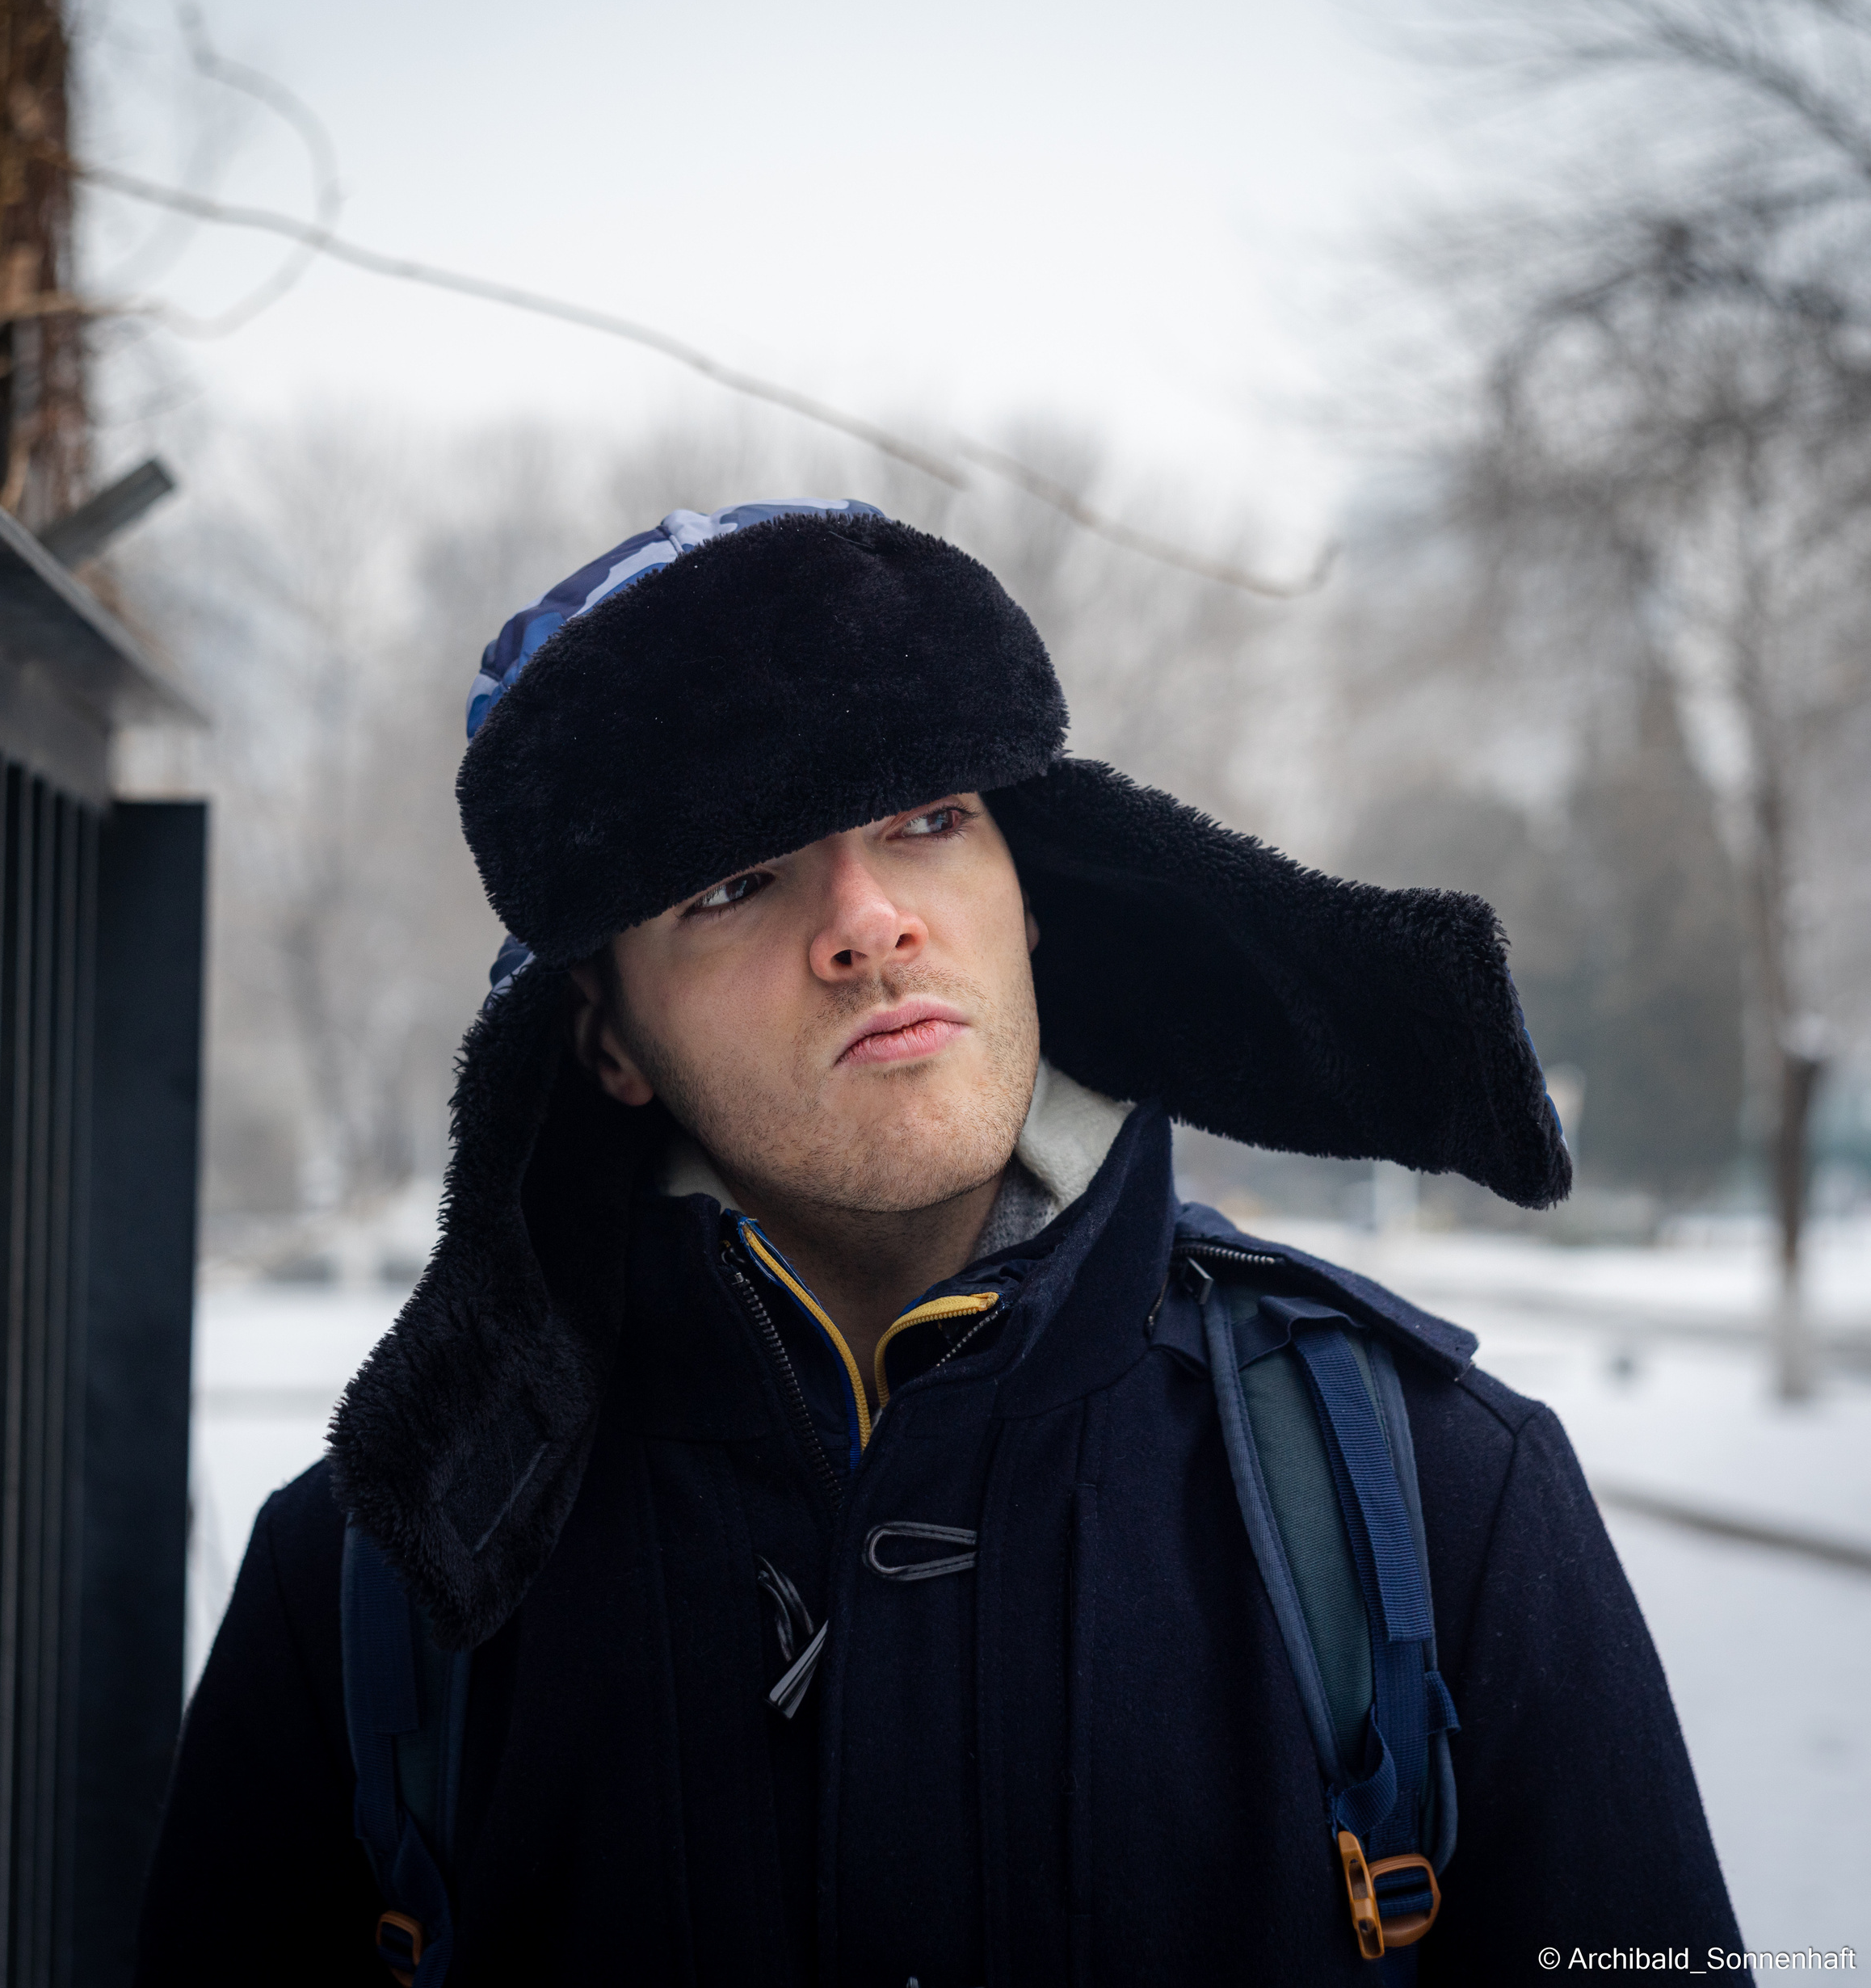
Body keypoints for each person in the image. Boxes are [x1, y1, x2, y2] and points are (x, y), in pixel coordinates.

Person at [135, 502, 1738, 1985]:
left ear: (1026, 895)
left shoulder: (1432, 1496)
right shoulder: (381, 1584)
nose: (866, 919)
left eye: (925, 817)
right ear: (604, 1036)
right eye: (736, 879)